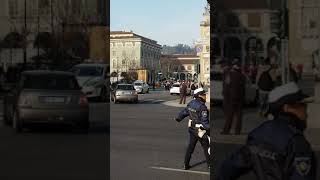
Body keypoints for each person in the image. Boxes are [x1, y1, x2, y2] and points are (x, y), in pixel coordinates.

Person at [217, 82, 317, 180]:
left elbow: (229, 168)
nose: (306, 112)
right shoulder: (297, 143)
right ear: (287, 108)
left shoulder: (258, 134)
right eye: (302, 105)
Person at [174, 88, 210, 170]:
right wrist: (210, 130)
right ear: (199, 96)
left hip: (192, 129)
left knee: (190, 148)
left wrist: (178, 118)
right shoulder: (202, 107)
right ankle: (210, 165)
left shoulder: (191, 103)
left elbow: (184, 112)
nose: (205, 96)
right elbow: (204, 122)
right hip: (201, 131)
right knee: (206, 148)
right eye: (204, 94)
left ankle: (185, 165)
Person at [221, 59, 245, 135]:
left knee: (229, 114)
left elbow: (226, 87)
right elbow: (243, 88)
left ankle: (226, 130)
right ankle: (237, 131)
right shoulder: (241, 75)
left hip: (231, 97)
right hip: (239, 97)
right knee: (239, 115)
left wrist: (225, 95)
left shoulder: (229, 75)